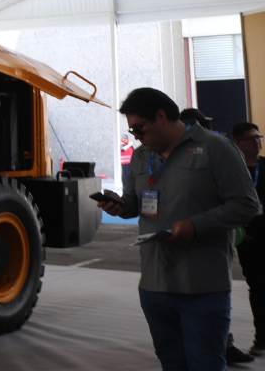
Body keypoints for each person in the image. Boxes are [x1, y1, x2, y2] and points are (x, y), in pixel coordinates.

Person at [99, 88, 259, 371]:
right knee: (172, 364)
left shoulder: (215, 148)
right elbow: (136, 202)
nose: (135, 136)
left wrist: (196, 226)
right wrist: (122, 206)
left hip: (201, 286)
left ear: (161, 116)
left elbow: (246, 204)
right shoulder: (140, 157)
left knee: (205, 365)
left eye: (139, 128)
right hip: (153, 285)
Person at [233, 121, 265, 357]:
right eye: (251, 138)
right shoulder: (232, 169)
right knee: (259, 287)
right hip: (248, 236)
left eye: (259, 137)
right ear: (237, 143)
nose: (257, 141)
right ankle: (262, 337)